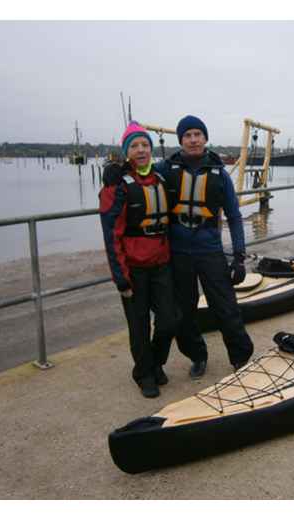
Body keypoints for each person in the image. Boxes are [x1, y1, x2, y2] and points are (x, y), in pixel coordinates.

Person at [159, 115, 254, 378]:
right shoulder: (166, 169)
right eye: (187, 135)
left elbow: (234, 217)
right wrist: (119, 174)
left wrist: (239, 256)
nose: (192, 140)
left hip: (210, 250)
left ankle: (240, 357)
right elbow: (140, 174)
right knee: (183, 312)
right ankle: (197, 356)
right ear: (180, 140)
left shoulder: (220, 174)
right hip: (178, 253)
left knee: (226, 307)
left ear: (205, 138)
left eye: (197, 134)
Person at [99, 121, 181, 398]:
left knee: (169, 320)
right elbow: (112, 236)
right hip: (133, 269)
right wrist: (120, 278)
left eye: (145, 144)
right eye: (134, 146)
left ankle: (155, 362)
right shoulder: (117, 186)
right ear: (126, 152)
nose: (141, 149)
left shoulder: (160, 179)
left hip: (161, 264)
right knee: (139, 326)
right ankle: (144, 373)